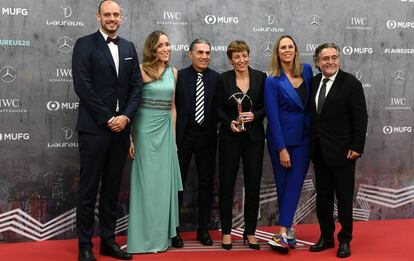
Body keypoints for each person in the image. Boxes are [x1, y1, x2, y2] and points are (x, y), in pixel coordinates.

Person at [72, 1, 142, 260]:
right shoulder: (84, 44)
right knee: (89, 188)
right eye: (107, 14)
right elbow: (82, 86)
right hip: (94, 129)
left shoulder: (128, 47)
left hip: (121, 130)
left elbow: (137, 87)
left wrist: (124, 118)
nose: (112, 18)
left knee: (113, 188)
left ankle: (108, 241)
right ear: (98, 17)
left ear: (121, 18)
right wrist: (108, 117)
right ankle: (85, 246)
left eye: (116, 15)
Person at [308, 43, 368, 258]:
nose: (330, 62)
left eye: (334, 57)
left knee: (343, 199)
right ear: (318, 61)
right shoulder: (314, 82)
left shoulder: (351, 83)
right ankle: (326, 237)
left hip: (344, 153)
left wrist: (356, 147)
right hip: (320, 153)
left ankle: (345, 240)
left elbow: (360, 119)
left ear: (339, 59)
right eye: (325, 59)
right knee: (323, 198)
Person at [127, 30, 183, 254]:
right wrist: (130, 136)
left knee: (162, 187)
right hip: (143, 130)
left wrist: (174, 140)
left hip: (166, 132)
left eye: (168, 44)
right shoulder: (140, 71)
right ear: (152, 49)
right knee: (145, 185)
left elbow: (172, 107)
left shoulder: (174, 72)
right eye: (161, 45)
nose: (166, 48)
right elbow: (131, 104)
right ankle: (142, 237)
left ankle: (161, 236)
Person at [264, 35, 313, 253]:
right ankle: (289, 231)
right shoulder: (272, 80)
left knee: (295, 184)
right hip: (280, 141)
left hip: (304, 138)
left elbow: (311, 105)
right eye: (282, 47)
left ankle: (281, 232)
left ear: (295, 50)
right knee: (284, 186)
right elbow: (272, 117)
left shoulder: (308, 71)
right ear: (277, 52)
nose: (286, 50)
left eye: (290, 46)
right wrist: (282, 149)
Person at [216, 40, 266, 250]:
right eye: (236, 56)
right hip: (230, 139)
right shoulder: (223, 79)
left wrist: (255, 115)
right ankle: (227, 232)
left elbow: (266, 108)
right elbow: (217, 109)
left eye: (244, 55)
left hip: (254, 140)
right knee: (226, 186)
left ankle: (251, 232)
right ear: (230, 59)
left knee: (253, 186)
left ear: (249, 55)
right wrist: (229, 123)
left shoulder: (261, 78)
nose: (241, 60)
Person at [175, 38, 219, 247]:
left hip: (208, 137)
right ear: (190, 54)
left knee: (206, 184)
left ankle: (203, 229)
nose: (204, 56)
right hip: (183, 137)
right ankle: (173, 230)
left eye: (207, 53)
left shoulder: (217, 79)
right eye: (200, 52)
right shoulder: (179, 77)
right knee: (177, 184)